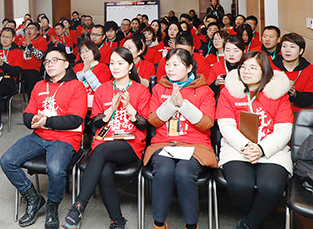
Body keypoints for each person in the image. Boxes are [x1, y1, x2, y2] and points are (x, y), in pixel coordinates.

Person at [62, 47, 150, 229]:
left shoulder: (141, 90)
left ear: (130, 66)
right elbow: (94, 124)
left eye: (120, 63)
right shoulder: (103, 90)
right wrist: (110, 110)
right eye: (112, 63)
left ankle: (79, 206)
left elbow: (144, 125)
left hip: (130, 144)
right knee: (104, 172)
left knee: (100, 151)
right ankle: (118, 221)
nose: (115, 67)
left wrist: (129, 107)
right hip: (105, 141)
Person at [0, 47, 87, 229]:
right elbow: (28, 112)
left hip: (65, 138)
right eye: (47, 61)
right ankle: (33, 198)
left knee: (55, 169)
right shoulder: (40, 85)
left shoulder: (76, 86)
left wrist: (47, 120)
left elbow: (75, 119)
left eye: (55, 60)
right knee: (7, 160)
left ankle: (52, 206)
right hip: (39, 135)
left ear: (66, 63)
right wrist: (32, 120)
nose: (49, 64)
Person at [216, 51, 293, 229]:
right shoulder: (229, 92)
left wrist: (261, 149)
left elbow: (284, 130)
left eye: (253, 67)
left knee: (271, 187)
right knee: (240, 185)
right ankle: (259, 218)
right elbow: (226, 126)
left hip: (272, 149)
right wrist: (246, 146)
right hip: (237, 148)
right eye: (243, 67)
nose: (246, 71)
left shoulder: (278, 94)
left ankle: (249, 224)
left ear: (264, 70)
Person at [146, 49, 217, 229]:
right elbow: (153, 120)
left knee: (184, 173)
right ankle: (159, 224)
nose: (170, 69)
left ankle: (191, 225)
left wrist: (183, 105)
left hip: (195, 145)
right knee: (163, 171)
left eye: (176, 65)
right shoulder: (159, 88)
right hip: (165, 143)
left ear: (189, 67)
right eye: (168, 64)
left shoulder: (204, 91)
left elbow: (207, 123)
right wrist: (170, 104)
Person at [271, 32, 313, 112]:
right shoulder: (271, 66)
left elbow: (310, 98)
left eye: (292, 47)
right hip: (274, 110)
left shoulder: (310, 69)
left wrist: (295, 94)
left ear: (301, 51)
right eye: (284, 46)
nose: (287, 50)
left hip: (299, 112)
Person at [74, 40, 111, 109]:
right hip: (77, 103)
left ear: (94, 51)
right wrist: (82, 73)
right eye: (82, 52)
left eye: (87, 51)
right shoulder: (77, 67)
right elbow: (72, 86)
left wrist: (87, 72)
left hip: (95, 104)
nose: (84, 54)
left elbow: (101, 90)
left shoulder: (103, 67)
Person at [20, 22, 48, 99]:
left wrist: (30, 46)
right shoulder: (22, 40)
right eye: (28, 28)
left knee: (31, 82)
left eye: (32, 28)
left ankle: (31, 103)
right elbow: (16, 54)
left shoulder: (42, 40)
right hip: (20, 67)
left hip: (32, 68)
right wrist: (23, 46)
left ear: (37, 31)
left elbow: (40, 56)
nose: (29, 30)